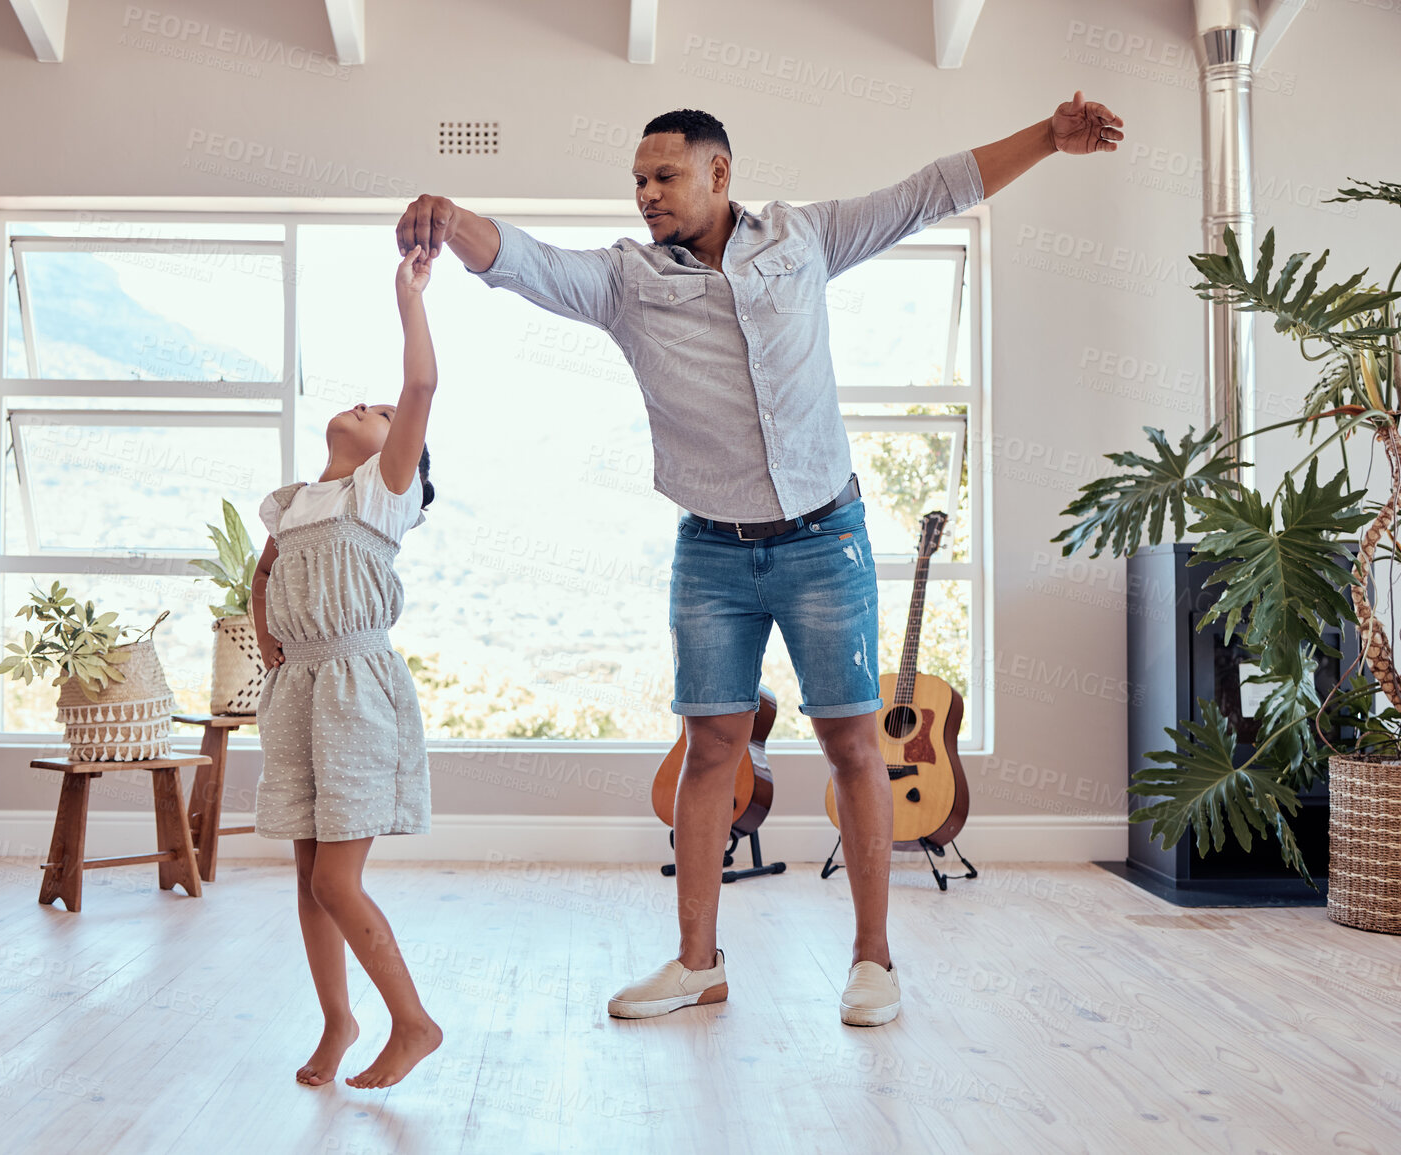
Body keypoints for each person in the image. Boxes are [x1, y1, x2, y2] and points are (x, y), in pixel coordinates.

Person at [395, 94, 1123, 1026]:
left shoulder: (804, 239)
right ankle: (697, 962)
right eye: (637, 182)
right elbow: (530, 264)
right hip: (710, 552)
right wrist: (451, 222)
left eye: (664, 176)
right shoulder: (629, 283)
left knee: (852, 747)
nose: (646, 195)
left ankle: (872, 961)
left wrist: (1048, 139)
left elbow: (929, 192)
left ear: (718, 173)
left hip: (827, 538)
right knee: (709, 752)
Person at [250, 247, 443, 1088]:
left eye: (378, 414)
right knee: (306, 872)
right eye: (363, 404)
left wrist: (407, 301)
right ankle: (338, 1021)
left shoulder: (380, 492)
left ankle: (413, 1021)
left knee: (338, 875)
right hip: (298, 690)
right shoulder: (294, 501)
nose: (364, 404)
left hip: (358, 690)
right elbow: (261, 575)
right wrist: (268, 643)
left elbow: (420, 389)